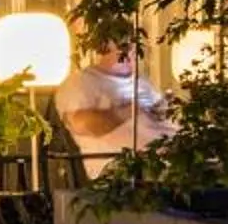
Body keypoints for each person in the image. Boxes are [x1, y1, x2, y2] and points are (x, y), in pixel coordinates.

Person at [55, 33, 176, 164]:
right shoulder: (81, 82)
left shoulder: (142, 82)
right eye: (124, 46)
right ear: (104, 46)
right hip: (128, 166)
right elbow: (82, 125)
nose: (132, 52)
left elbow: (158, 114)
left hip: (171, 153)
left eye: (135, 46)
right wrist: (128, 110)